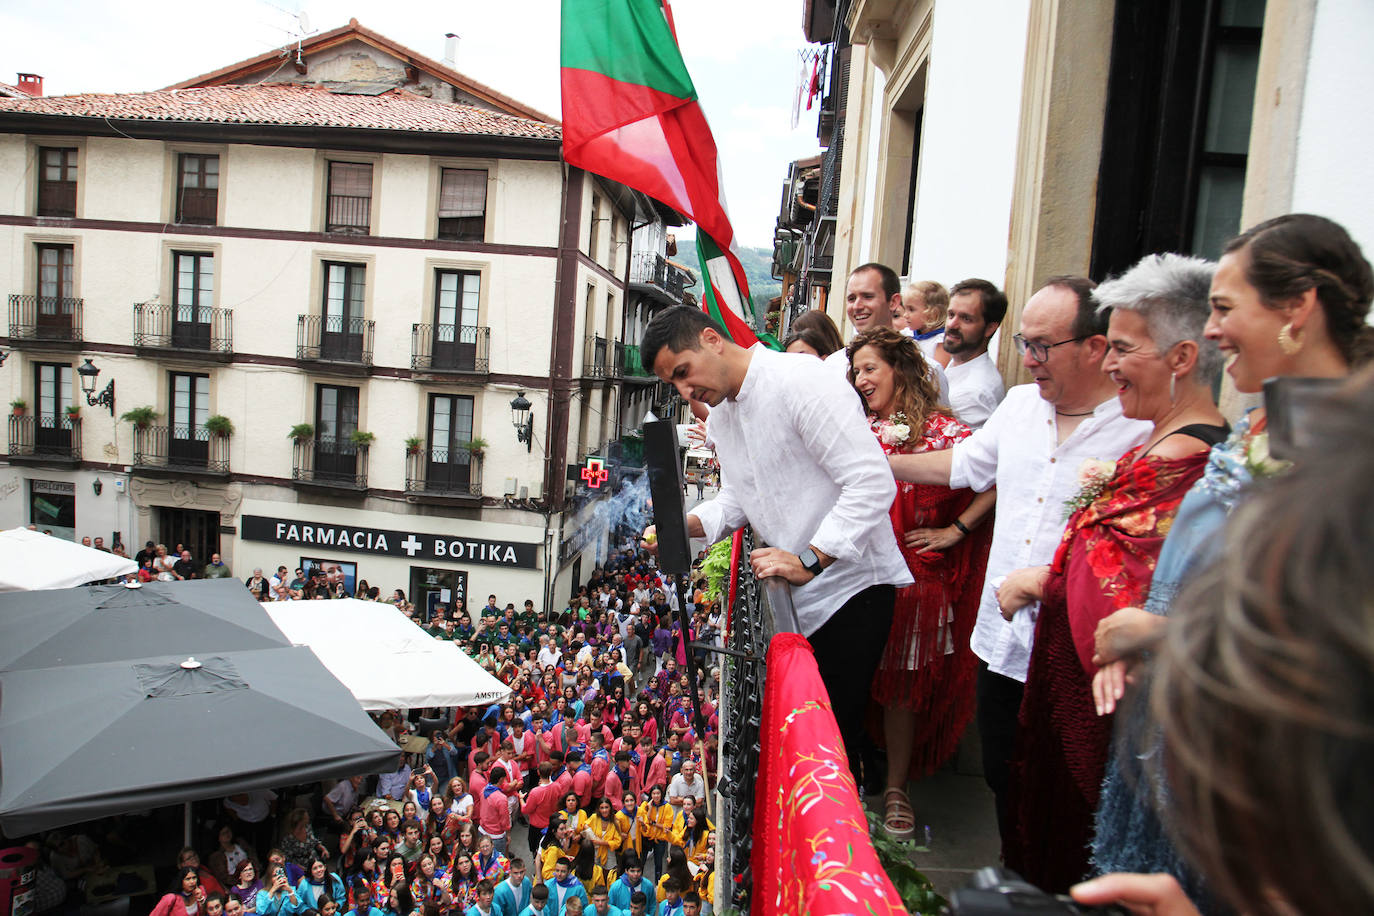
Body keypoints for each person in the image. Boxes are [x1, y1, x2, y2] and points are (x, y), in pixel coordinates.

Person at [1087, 214, 1374, 903]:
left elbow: (1325, 630)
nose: (1210, 332)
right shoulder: (1264, 419)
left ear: (1298, 309)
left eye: (1222, 308)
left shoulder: (1348, 450)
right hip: (1184, 733)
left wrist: (1158, 632)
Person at [887, 276, 1152, 845]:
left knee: (1069, 800)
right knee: (1003, 781)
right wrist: (880, 462)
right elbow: (964, 467)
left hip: (1079, 653)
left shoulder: (1142, 430)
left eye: (1041, 346)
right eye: (1024, 344)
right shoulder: (1019, 406)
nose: (1028, 359)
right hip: (1002, 645)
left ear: (1095, 347)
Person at [995, 254, 1228, 891]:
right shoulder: (1154, 443)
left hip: (1109, 722)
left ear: (1181, 359)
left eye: (1123, 348)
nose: (1109, 364)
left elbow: (1129, 596)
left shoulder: (1188, 462)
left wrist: (1044, 580)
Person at [640, 305, 912, 783]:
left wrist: (812, 558)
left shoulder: (800, 380)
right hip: (800, 602)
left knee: (831, 747)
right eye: (673, 385)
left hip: (851, 592)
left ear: (711, 339)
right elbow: (739, 499)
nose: (686, 392)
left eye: (683, 372)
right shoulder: (724, 418)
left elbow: (871, 482)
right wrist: (687, 526)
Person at [845, 326, 996, 838]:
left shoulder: (947, 433)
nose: (860, 379)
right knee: (852, 680)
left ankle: (896, 789)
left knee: (901, 693)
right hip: (854, 577)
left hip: (915, 584)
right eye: (856, 371)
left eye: (870, 368)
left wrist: (955, 530)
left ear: (900, 370)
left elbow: (994, 478)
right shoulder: (853, 428)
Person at [941, 279, 1008, 428]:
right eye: (951, 315)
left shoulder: (972, 392)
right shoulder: (960, 362)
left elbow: (959, 449)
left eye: (966, 319)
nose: (952, 325)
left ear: (990, 328)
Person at [902, 281, 949, 364]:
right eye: (904, 308)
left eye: (911, 309)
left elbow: (937, 372)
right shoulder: (906, 334)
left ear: (932, 314)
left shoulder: (941, 341)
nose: (905, 315)